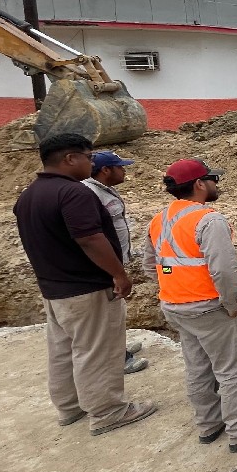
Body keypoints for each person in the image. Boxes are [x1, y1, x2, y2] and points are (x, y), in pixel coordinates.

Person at [13, 133, 157, 436]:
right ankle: (108, 411)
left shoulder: (29, 195)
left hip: (55, 289)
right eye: (88, 157)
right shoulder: (74, 194)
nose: (90, 163)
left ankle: (69, 407)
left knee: (63, 349)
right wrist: (119, 274)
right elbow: (90, 238)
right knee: (97, 350)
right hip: (87, 288)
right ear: (70, 158)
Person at [143, 159, 237, 452]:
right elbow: (223, 270)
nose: (216, 184)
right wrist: (232, 305)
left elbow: (149, 266)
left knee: (198, 366)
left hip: (175, 305)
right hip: (208, 307)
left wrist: (175, 286)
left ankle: (209, 425)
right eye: (212, 180)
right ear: (199, 184)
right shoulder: (209, 220)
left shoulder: (159, 219)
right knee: (233, 368)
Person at [83, 150, 148, 375]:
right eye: (119, 166)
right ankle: (118, 359)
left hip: (113, 260)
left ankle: (118, 347)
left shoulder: (102, 189)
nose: (124, 171)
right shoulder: (89, 193)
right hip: (103, 265)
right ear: (105, 170)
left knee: (114, 309)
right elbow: (91, 235)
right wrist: (115, 270)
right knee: (106, 312)